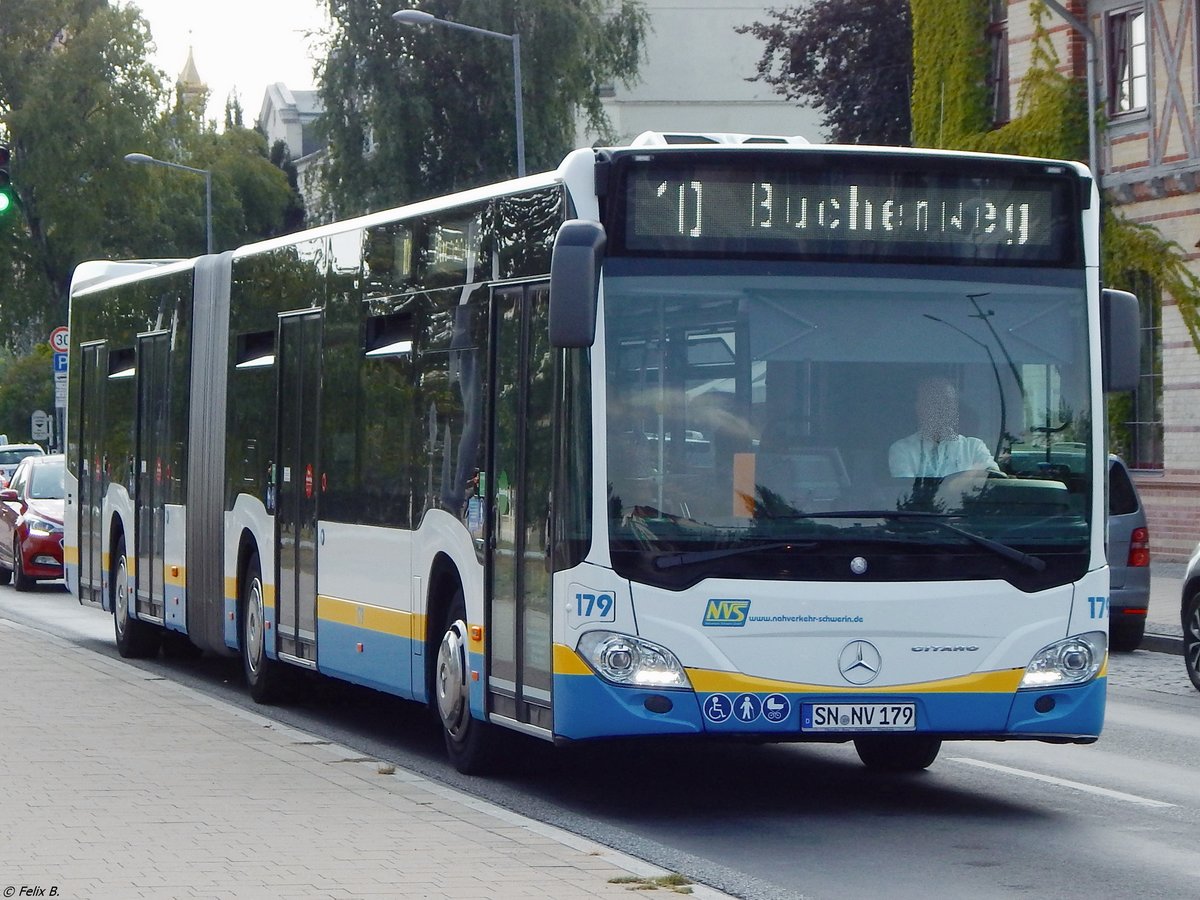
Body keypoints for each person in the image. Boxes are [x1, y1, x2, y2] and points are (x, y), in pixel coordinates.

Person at [889, 377, 1000, 479]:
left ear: (954, 408)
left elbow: (993, 478)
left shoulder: (974, 447)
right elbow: (907, 492)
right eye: (933, 402)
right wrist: (972, 474)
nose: (941, 408)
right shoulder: (902, 449)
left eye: (947, 401)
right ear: (919, 408)